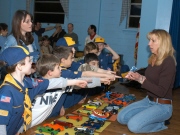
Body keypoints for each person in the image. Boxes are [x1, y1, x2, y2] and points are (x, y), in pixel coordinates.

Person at [117, 29, 176, 133]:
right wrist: (138, 76)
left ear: (163, 43)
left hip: (163, 106)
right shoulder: (153, 57)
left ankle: (160, 123)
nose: (149, 44)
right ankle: (147, 116)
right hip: (148, 100)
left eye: (153, 41)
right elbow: (149, 80)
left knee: (133, 126)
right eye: (150, 40)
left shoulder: (168, 62)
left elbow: (161, 91)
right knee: (121, 118)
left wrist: (141, 79)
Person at [0, 46, 50, 135]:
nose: (32, 63)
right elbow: (1, 124)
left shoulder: (25, 82)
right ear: (19, 66)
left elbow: (21, 115)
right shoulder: (6, 92)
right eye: (29, 61)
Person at [31, 54, 88, 127]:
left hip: (41, 123)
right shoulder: (37, 87)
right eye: (58, 67)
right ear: (50, 72)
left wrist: (100, 80)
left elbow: (80, 83)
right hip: (26, 125)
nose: (61, 68)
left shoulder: (61, 84)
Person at [53, 46, 118, 109]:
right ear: (63, 60)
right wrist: (103, 78)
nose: (73, 60)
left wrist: (105, 73)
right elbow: (83, 77)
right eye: (71, 58)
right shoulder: (62, 73)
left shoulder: (70, 65)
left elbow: (88, 69)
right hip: (62, 104)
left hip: (69, 101)